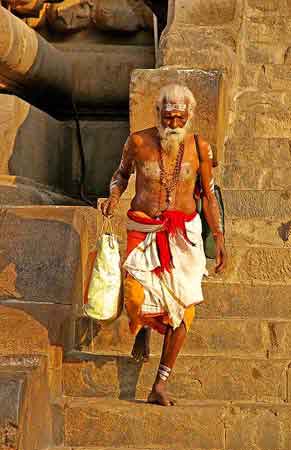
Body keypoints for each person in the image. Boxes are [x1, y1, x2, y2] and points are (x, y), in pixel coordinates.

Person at [101, 83, 227, 406]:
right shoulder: (138, 142)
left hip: (183, 237)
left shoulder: (201, 149)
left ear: (189, 116)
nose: (173, 124)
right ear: (158, 113)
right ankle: (141, 325)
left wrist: (221, 238)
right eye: (167, 117)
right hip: (143, 229)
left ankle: (160, 383)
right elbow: (120, 175)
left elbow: (210, 196)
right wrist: (114, 196)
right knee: (133, 298)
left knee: (185, 314)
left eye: (179, 118)